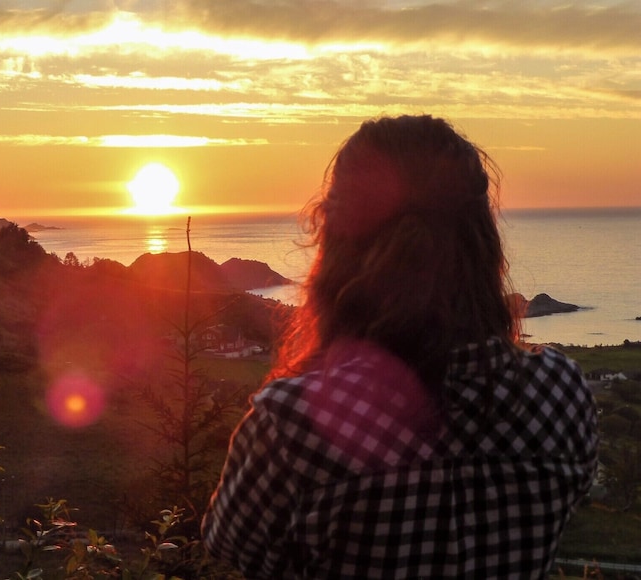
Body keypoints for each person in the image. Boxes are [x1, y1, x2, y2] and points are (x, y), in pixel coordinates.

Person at [201, 115, 598, 579]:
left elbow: (231, 546)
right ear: (481, 243)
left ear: (334, 243)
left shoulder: (292, 425)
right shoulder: (561, 395)